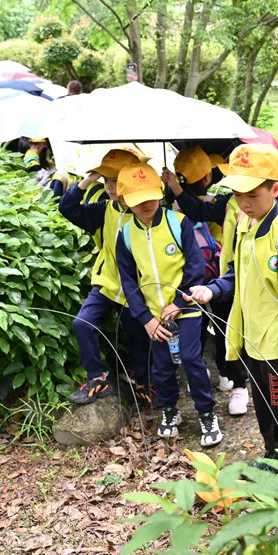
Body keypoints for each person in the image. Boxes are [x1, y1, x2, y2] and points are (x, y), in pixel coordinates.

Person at [186, 144, 278, 464]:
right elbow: (236, 274)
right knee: (263, 401)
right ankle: (271, 453)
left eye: (252, 195)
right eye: (237, 194)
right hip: (251, 336)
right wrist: (213, 290)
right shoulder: (244, 224)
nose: (243, 202)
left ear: (276, 189)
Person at [115, 162, 223, 447]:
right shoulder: (125, 234)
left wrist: (177, 302)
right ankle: (170, 410)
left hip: (186, 306)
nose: (147, 204)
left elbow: (195, 267)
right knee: (161, 366)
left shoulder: (178, 222)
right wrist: (146, 318)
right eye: (138, 201)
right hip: (153, 314)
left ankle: (206, 413)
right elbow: (128, 280)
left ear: (160, 191)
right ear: (124, 201)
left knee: (190, 359)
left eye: (151, 196)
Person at [59, 149, 151, 405]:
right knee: (82, 324)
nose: (110, 188)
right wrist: (88, 180)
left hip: (137, 290)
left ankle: (142, 382)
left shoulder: (146, 211)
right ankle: (97, 378)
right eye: (106, 181)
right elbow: (67, 207)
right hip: (107, 283)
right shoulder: (104, 210)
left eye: (115, 181)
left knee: (138, 338)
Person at [162, 149, 250, 416]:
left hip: (241, 278)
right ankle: (229, 378)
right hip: (217, 275)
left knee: (230, 330)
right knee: (216, 328)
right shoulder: (226, 202)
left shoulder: (264, 209)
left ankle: (238, 383)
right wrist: (174, 188)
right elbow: (198, 209)